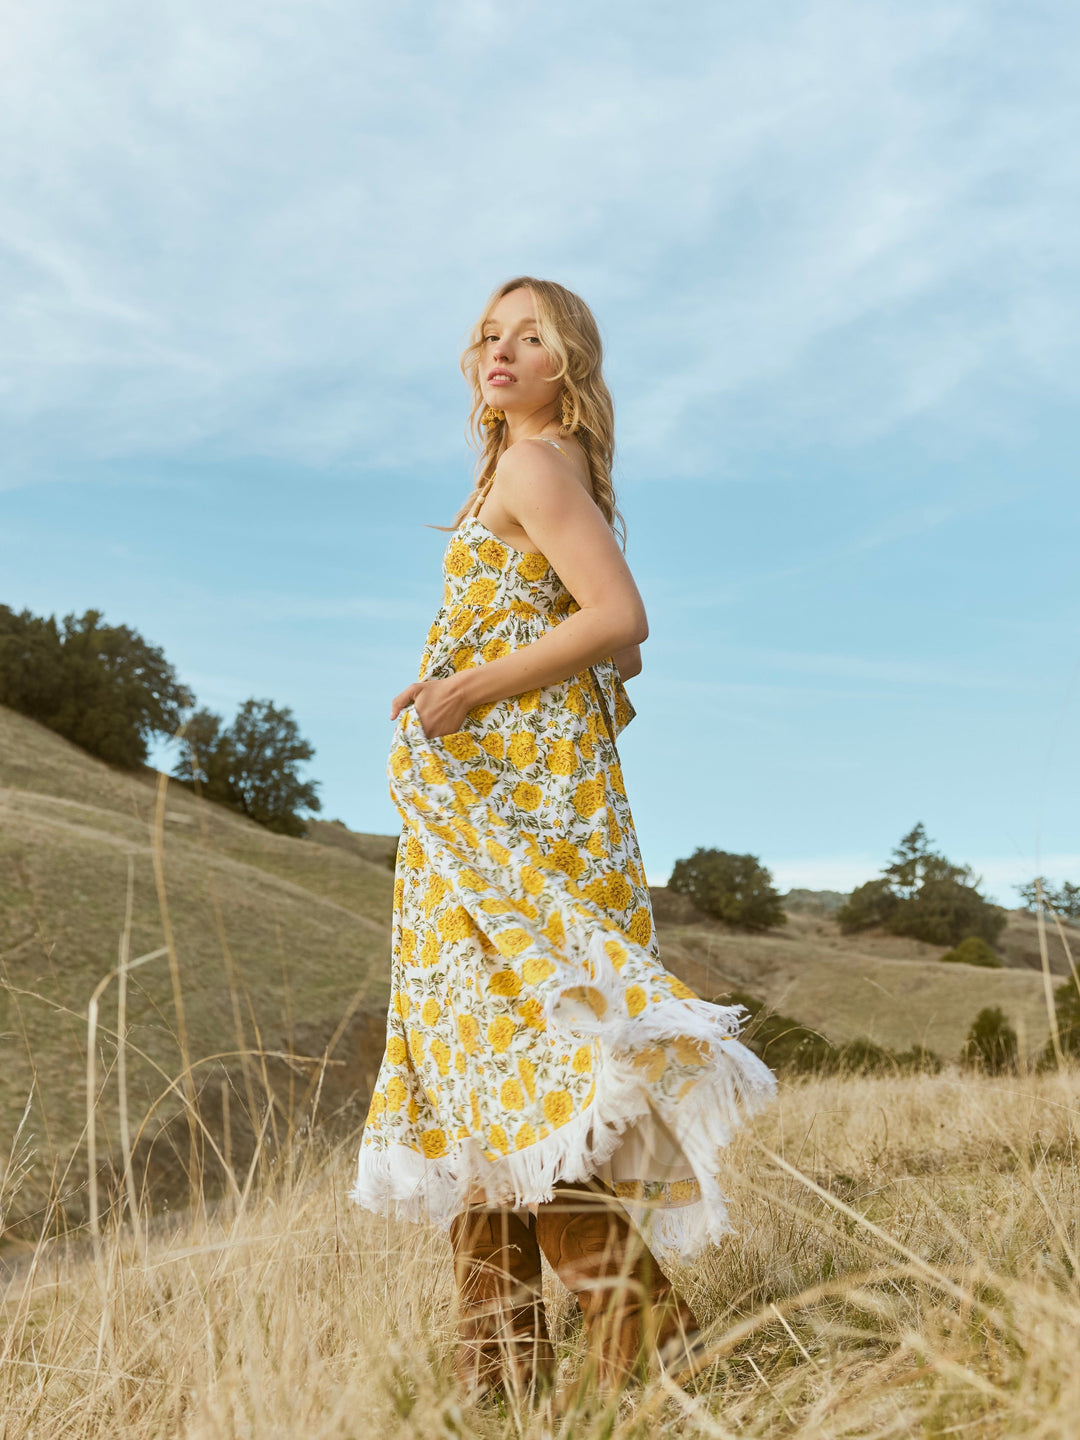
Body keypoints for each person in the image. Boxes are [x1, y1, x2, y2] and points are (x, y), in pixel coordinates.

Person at [350, 276, 776, 1398]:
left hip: (513, 830)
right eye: (490, 333)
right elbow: (603, 648)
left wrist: (471, 686)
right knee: (489, 1069)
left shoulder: (538, 462)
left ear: (567, 367)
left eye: (528, 335)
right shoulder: (530, 470)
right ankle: (500, 1372)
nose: (500, 348)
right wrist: (469, 675)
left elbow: (622, 621)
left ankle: (641, 1343)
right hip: (505, 813)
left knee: (513, 1063)